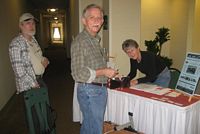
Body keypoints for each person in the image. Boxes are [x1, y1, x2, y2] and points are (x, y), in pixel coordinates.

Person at [71, 4, 118, 134]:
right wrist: (103, 71)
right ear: (84, 21)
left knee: (89, 125)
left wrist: (106, 70)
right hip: (91, 90)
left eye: (99, 18)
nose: (97, 21)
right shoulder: (81, 41)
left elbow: (92, 66)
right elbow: (77, 73)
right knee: (95, 128)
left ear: (103, 21)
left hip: (95, 89)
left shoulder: (94, 40)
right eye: (92, 17)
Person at [9, 12, 49, 93]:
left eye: (33, 23)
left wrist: (45, 60)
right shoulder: (16, 44)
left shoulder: (33, 40)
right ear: (21, 26)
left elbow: (38, 56)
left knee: (44, 105)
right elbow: (18, 71)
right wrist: (33, 84)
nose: (32, 26)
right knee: (34, 106)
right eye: (28, 23)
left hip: (39, 79)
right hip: (29, 86)